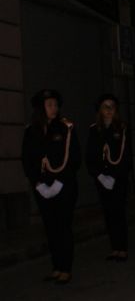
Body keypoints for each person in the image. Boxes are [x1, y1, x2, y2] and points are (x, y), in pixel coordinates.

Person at [21, 89, 80, 285]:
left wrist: (59, 181)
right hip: (42, 187)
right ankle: (56, 267)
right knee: (50, 228)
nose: (54, 108)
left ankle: (66, 268)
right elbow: (27, 159)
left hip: (64, 185)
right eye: (49, 105)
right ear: (40, 108)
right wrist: (37, 182)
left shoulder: (65, 128)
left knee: (63, 226)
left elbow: (73, 157)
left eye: (55, 104)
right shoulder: (31, 131)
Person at [85, 94, 131, 261]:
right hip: (102, 178)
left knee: (118, 211)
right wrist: (99, 175)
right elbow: (90, 155)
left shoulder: (122, 128)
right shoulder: (94, 130)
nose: (109, 110)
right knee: (108, 212)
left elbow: (125, 156)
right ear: (100, 110)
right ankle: (114, 248)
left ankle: (122, 248)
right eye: (106, 106)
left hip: (118, 178)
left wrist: (114, 176)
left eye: (112, 106)